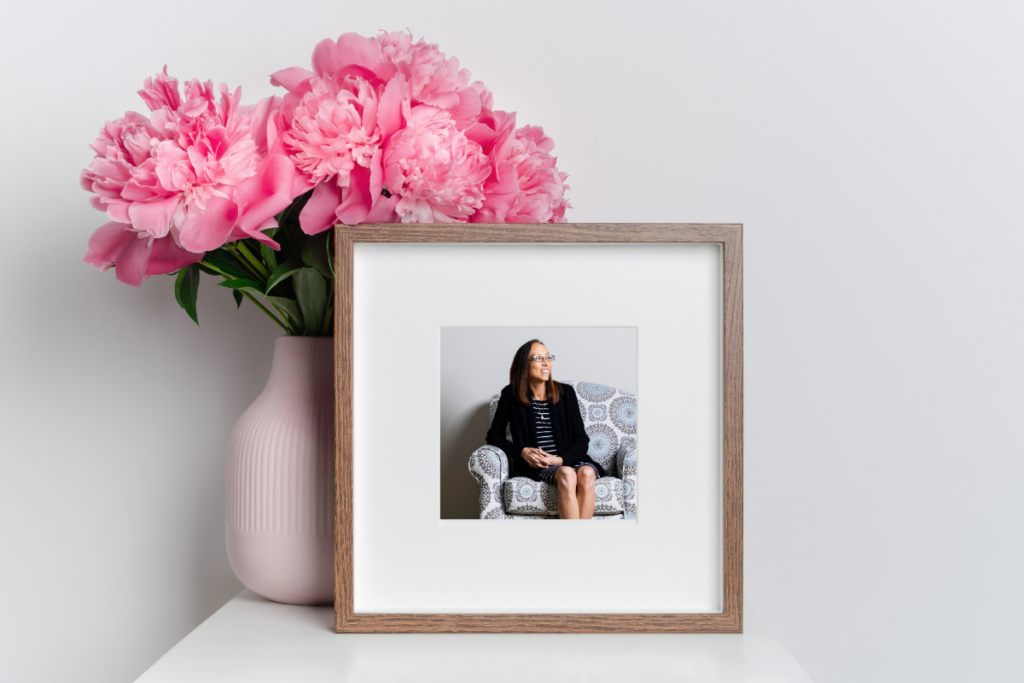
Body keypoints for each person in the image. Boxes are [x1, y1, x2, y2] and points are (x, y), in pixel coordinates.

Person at [486, 339, 605, 519]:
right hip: (541, 465)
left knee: (587, 473)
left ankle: (578, 541)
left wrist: (560, 459)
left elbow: (581, 439)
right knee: (567, 474)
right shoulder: (510, 395)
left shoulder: (566, 393)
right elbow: (494, 436)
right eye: (538, 358)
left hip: (568, 458)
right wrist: (523, 452)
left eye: (548, 357)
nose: (545, 362)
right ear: (524, 365)